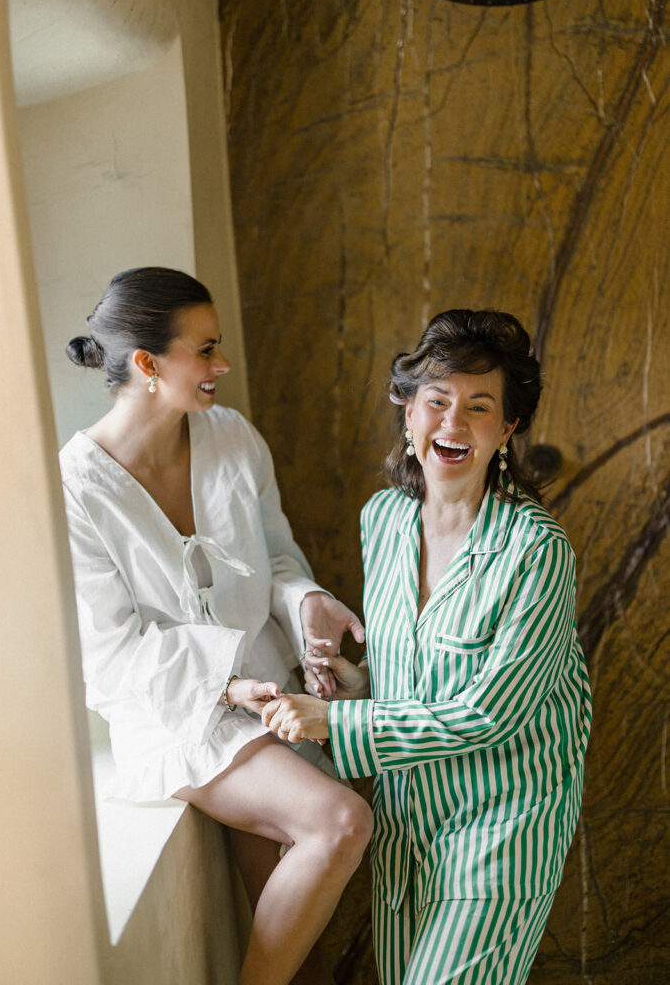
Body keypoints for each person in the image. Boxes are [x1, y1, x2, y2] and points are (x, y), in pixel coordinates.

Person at [60, 266, 373, 985]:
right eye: (204, 350)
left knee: (300, 947)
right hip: (177, 715)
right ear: (146, 364)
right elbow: (108, 649)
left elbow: (280, 558)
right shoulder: (76, 486)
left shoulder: (232, 435)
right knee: (338, 823)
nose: (221, 365)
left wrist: (305, 606)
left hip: (274, 696)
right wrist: (226, 687)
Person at [262, 309, 592, 985]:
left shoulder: (534, 549)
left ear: (506, 431)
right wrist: (347, 682)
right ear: (407, 412)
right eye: (436, 400)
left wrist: (337, 722)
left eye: (479, 407)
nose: (452, 421)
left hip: (503, 826)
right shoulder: (380, 521)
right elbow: (406, 674)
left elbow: (491, 711)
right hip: (405, 822)